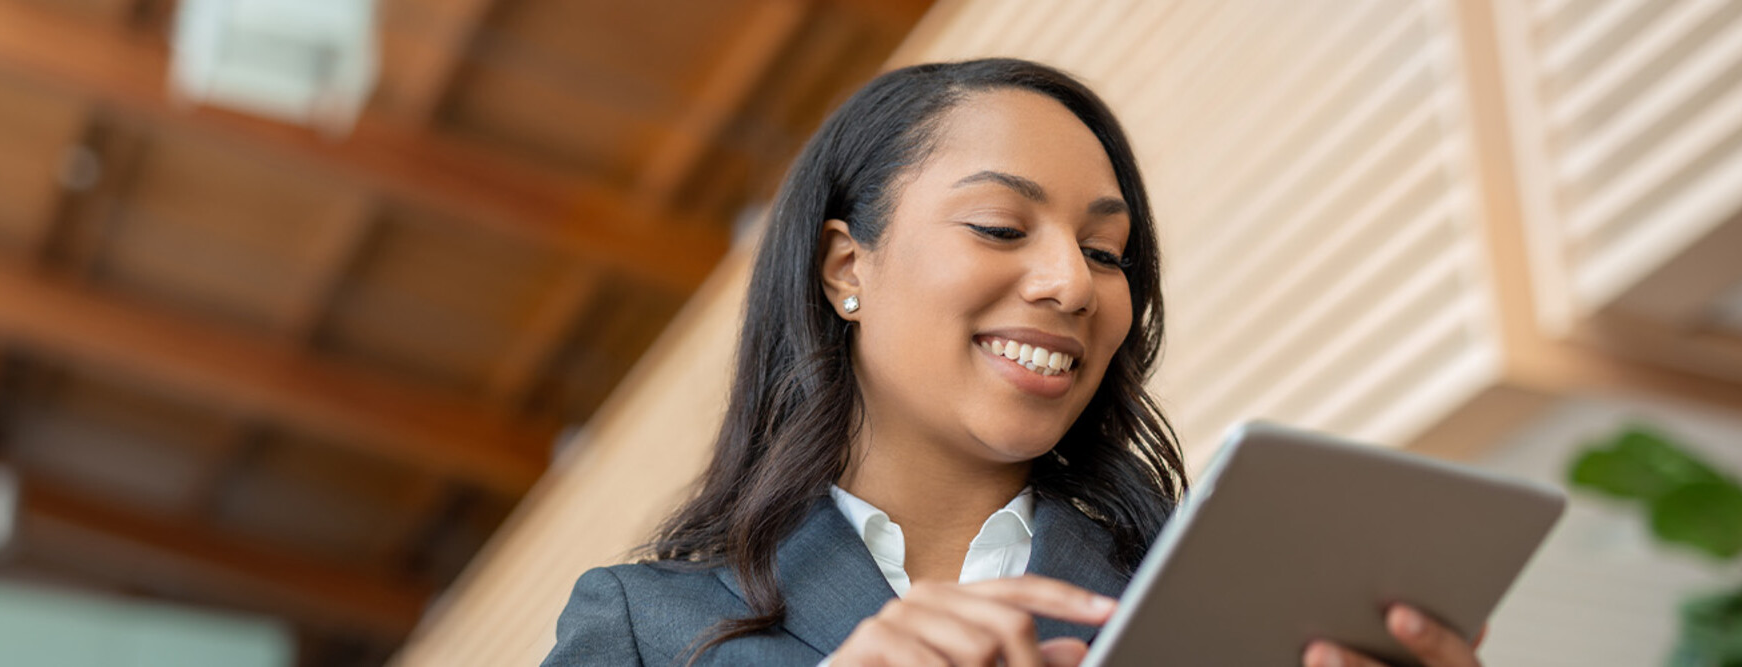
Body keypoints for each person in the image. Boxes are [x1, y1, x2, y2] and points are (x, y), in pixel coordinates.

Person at [542, 58, 1487, 667]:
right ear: (845, 267)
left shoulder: (1227, 617)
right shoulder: (645, 628)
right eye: (1001, 225)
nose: (1072, 282)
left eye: (1109, 251)